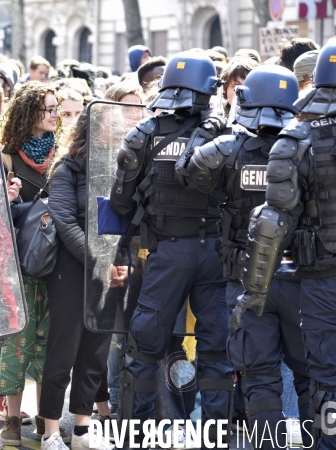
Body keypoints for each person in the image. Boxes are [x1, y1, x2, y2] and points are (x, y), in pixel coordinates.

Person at [177, 65, 312, 449]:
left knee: (259, 375)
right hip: (298, 276)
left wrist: (212, 125)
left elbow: (187, 172)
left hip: (245, 280)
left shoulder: (228, 146)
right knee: (310, 375)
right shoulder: (305, 145)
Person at [109, 51, 233, 447]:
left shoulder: (143, 134)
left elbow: (120, 201)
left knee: (144, 348)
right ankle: (218, 435)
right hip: (214, 251)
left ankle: (136, 436)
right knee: (216, 350)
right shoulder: (224, 134)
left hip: (167, 253)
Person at [237, 33, 336, 450]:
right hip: (320, 284)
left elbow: (273, 225)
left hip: (323, 284)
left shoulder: (297, 139)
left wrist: (254, 293)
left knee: (331, 386)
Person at [0, 81, 68, 446]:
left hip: (56, 263)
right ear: (29, 114)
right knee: (16, 341)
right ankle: (11, 418)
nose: (56, 114)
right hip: (20, 265)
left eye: (56, 108)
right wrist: (8, 200)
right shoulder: (7, 157)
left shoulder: (62, 156)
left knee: (49, 341)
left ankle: (44, 416)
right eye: (49, 108)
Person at [39, 111, 114, 450]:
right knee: (63, 352)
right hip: (71, 271)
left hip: (110, 270)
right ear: (91, 130)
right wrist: (100, 262)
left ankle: (82, 429)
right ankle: (51, 431)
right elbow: (65, 222)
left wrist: (120, 261)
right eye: (108, 126)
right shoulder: (66, 169)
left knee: (95, 353)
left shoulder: (120, 166)